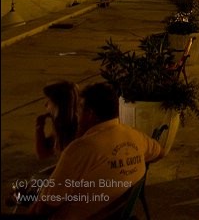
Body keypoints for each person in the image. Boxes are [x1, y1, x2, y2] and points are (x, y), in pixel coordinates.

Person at [28, 82, 163, 219]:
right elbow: (159, 153)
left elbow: (44, 207)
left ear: (90, 114)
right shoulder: (135, 136)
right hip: (115, 210)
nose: (77, 115)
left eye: (79, 110)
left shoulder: (79, 149)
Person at [34, 81, 80, 162]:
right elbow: (42, 153)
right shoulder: (64, 124)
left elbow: (43, 154)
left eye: (49, 101)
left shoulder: (73, 128)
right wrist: (39, 127)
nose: (46, 105)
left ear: (57, 104)